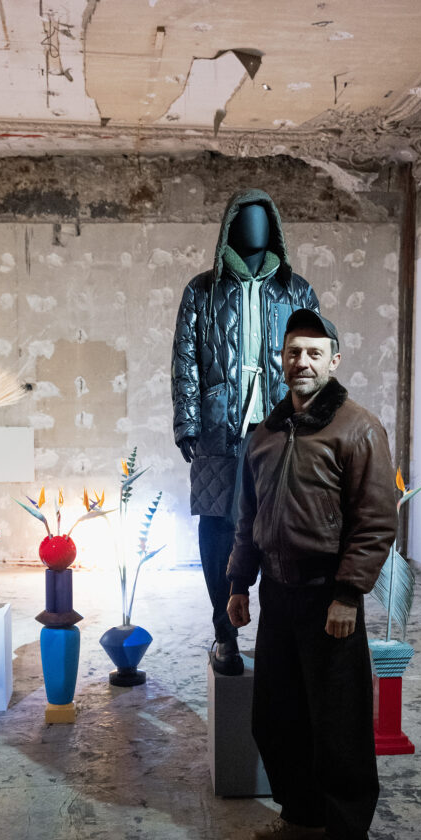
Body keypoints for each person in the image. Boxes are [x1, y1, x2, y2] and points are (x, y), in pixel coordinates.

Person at [226, 308, 397, 840]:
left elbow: (375, 521)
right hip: (276, 591)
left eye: (314, 353)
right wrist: (239, 582)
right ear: (281, 360)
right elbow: (247, 518)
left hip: (329, 597)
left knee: (339, 724)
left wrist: (348, 593)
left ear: (334, 361)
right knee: (276, 717)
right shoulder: (265, 433)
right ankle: (302, 815)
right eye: (293, 352)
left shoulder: (358, 428)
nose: (302, 361)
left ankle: (348, 839)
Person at [171, 189, 320, 675]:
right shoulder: (202, 291)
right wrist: (188, 421)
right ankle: (224, 634)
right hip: (220, 428)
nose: (254, 226)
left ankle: (279, 637)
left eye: (262, 218)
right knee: (217, 526)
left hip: (284, 427)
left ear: (274, 227)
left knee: (284, 529)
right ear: (229, 226)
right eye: (244, 217)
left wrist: (316, 421)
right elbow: (185, 359)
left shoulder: (297, 290)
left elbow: (316, 360)